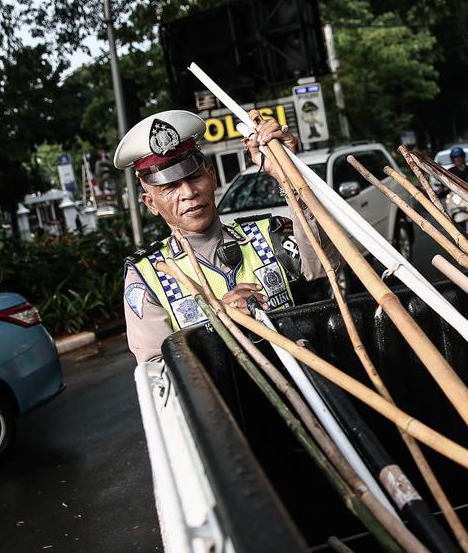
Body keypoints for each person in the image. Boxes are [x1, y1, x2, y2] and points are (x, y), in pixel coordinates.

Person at [114, 109, 339, 363]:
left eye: (194, 177)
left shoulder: (267, 234)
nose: (188, 192)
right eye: (170, 187)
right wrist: (218, 326)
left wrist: (289, 174)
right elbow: (160, 372)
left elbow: (324, 269)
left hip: (308, 385)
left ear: (212, 176)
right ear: (150, 203)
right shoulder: (149, 275)